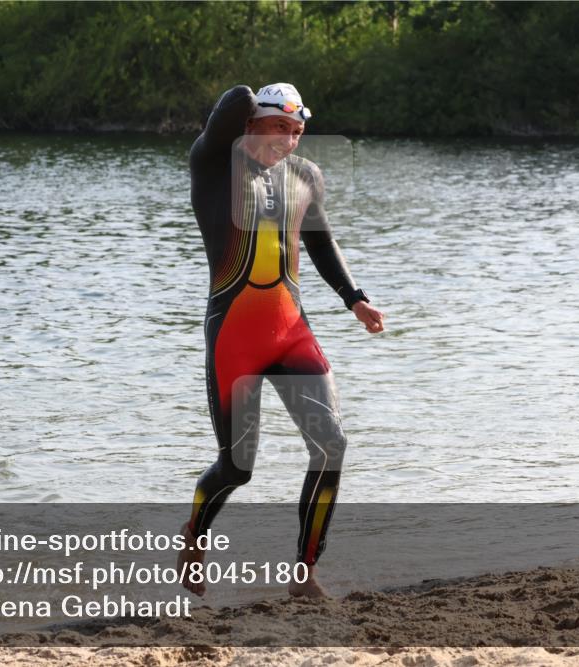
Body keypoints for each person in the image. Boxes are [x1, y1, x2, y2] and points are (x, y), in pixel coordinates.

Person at [177, 82, 385, 598]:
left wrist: (354, 298)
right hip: (235, 338)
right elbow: (227, 109)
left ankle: (303, 572)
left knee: (331, 445)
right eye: (277, 128)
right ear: (250, 126)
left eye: (297, 132)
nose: (289, 141)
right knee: (237, 467)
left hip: (291, 333)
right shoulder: (214, 166)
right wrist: (252, 100)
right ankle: (194, 535)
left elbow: (320, 241)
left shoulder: (304, 176)